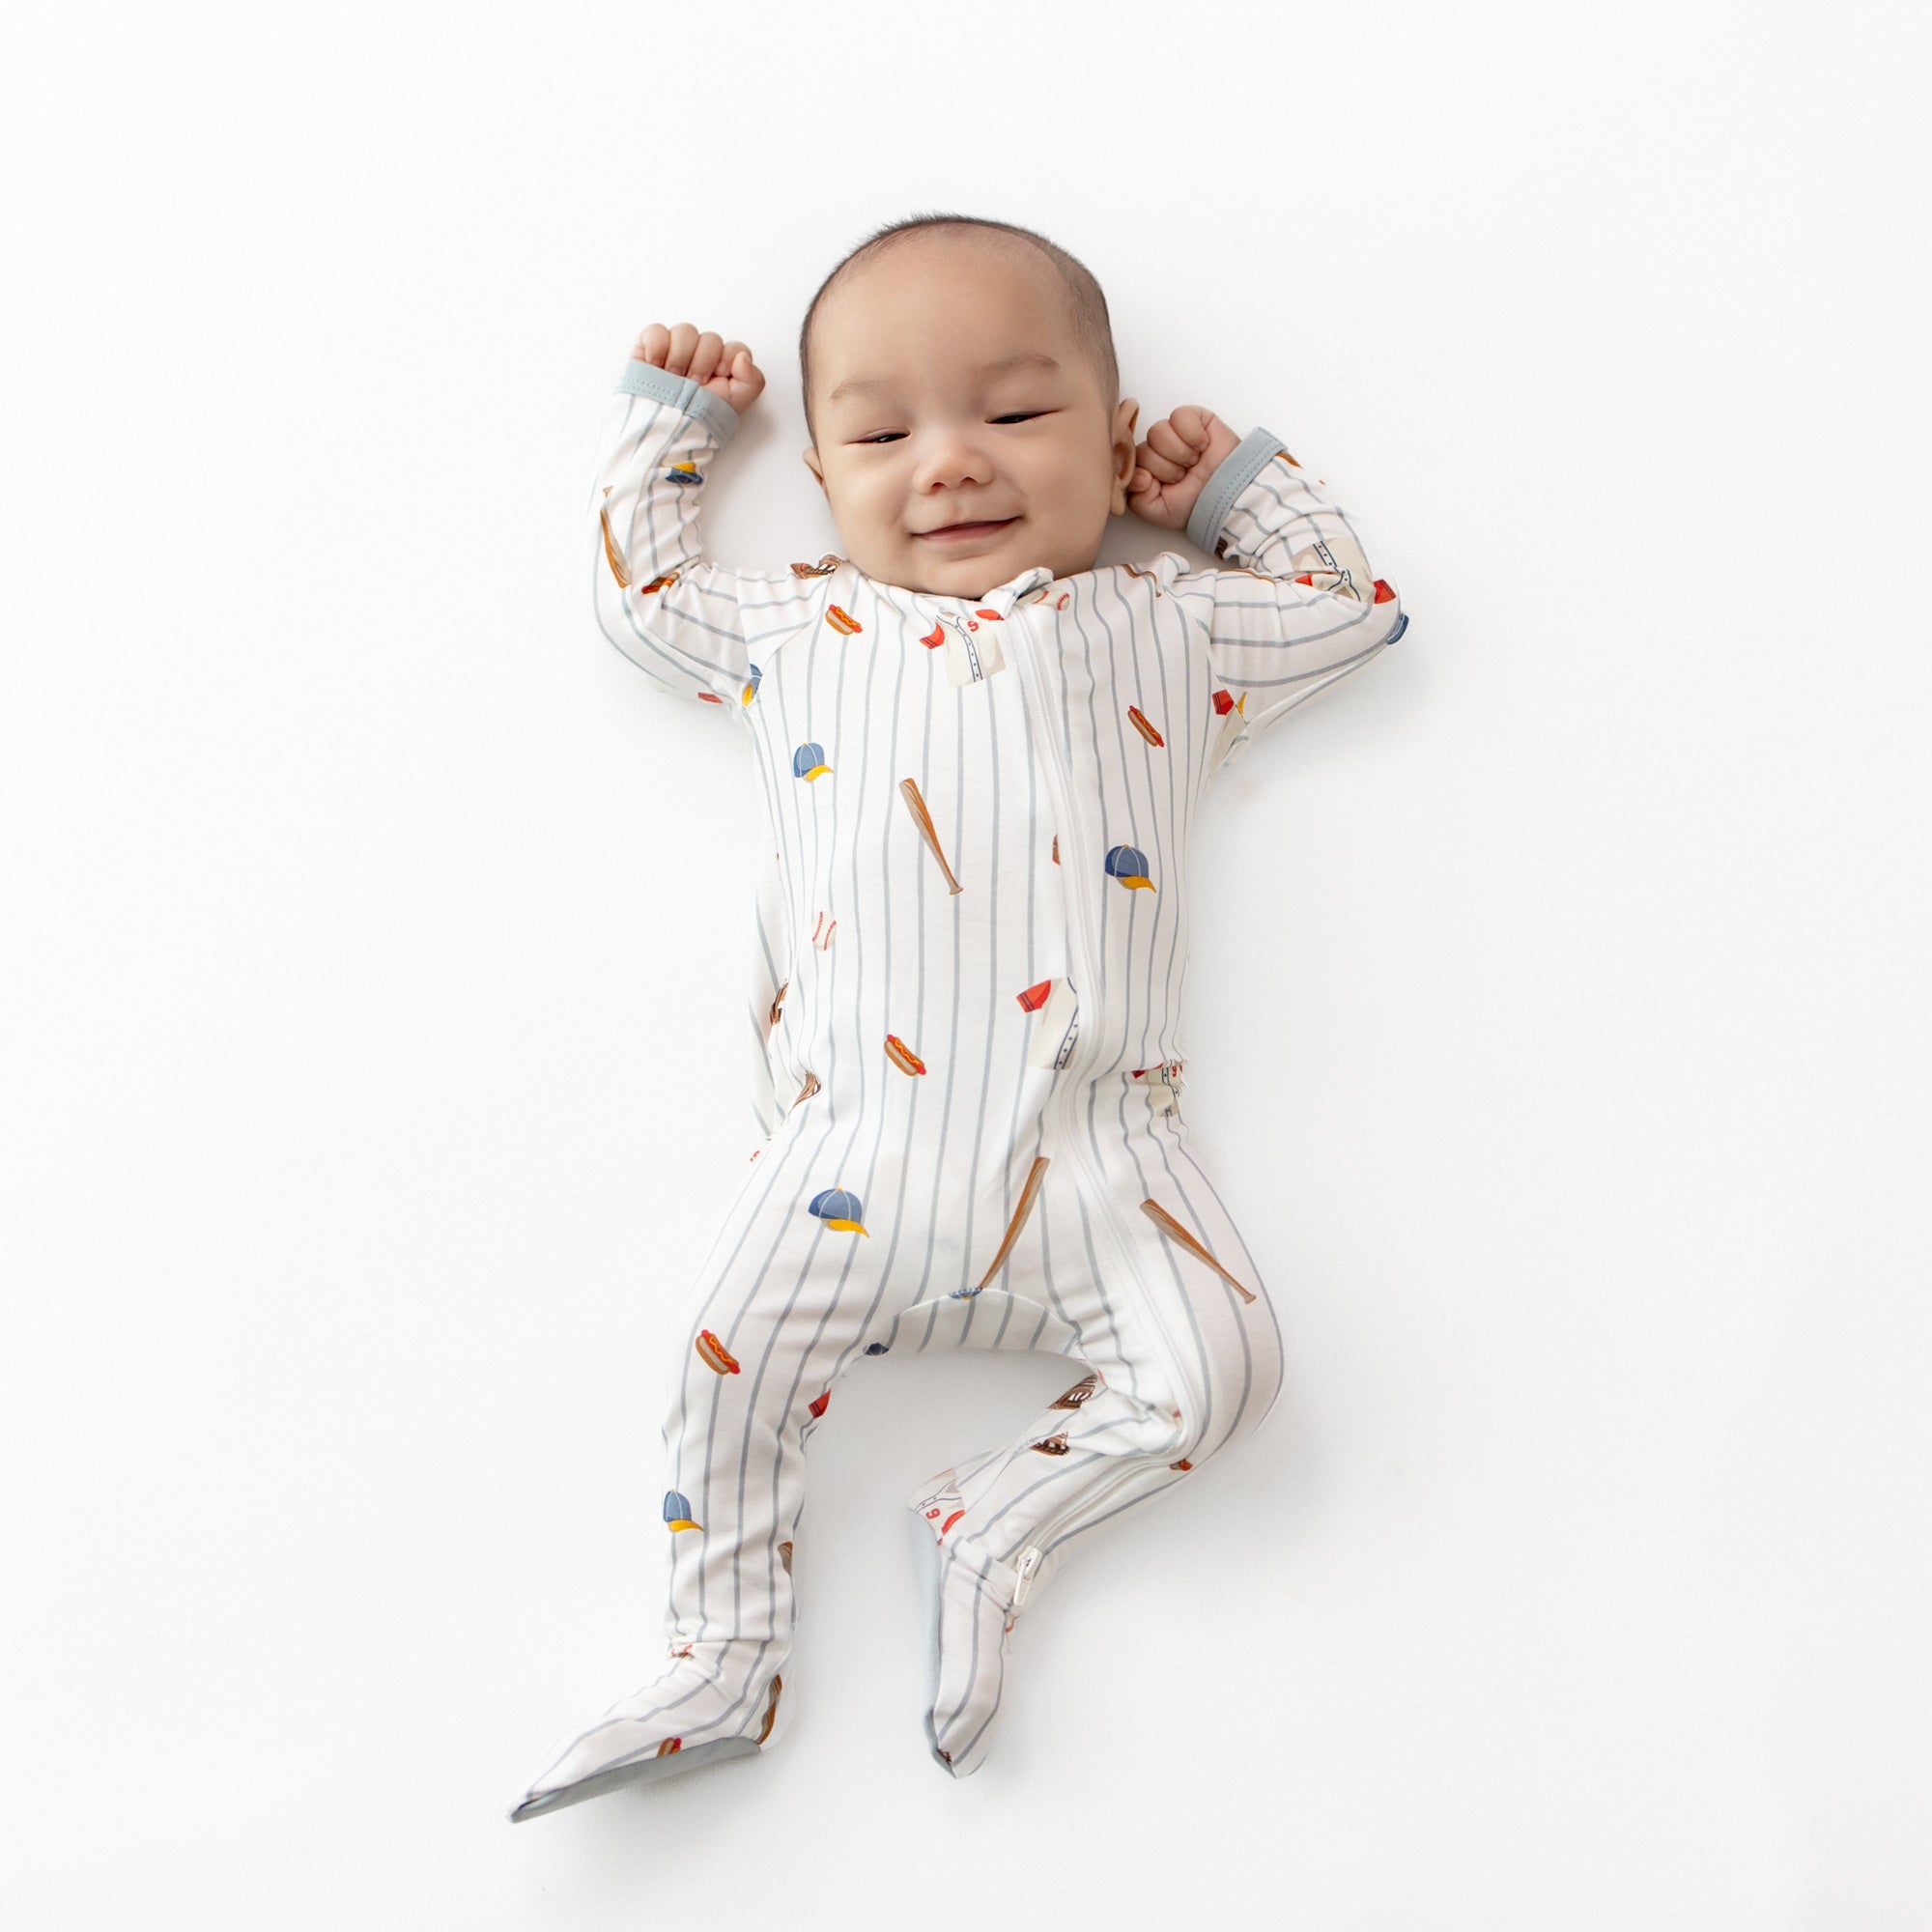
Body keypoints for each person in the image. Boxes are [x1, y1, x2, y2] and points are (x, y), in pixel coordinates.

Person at [508, 213, 1408, 1821]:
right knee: (721, 1378)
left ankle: (992, 1527)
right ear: (828, 472)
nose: (952, 464)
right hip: (854, 1146)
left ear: (1108, 433)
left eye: (1016, 412)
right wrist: (671, 435)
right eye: (878, 431)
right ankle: (722, 1655)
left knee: (1227, 1373)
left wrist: (1227, 496)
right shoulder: (799, 632)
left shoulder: (1166, 622)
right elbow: (646, 603)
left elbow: (1353, 610)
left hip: (1101, 1158)